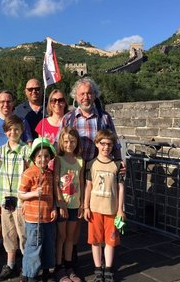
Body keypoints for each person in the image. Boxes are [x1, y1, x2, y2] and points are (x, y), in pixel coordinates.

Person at [60, 77, 123, 263]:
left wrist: (119, 164)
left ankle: (101, 256)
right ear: (76, 96)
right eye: (82, 94)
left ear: (95, 95)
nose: (86, 97)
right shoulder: (68, 117)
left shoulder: (104, 117)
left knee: (96, 214)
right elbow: (60, 145)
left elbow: (115, 143)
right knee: (75, 212)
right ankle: (72, 255)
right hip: (74, 171)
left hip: (98, 172)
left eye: (89, 93)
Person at [0, 114, 29, 282]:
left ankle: (27, 267)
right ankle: (10, 265)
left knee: (24, 233)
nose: (13, 132)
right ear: (5, 132)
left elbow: (29, 174)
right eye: (10, 129)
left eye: (17, 129)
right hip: (6, 199)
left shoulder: (26, 150)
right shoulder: (0, 151)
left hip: (21, 201)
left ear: (22, 131)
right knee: (8, 233)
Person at [83, 129, 125, 282]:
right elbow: (88, 186)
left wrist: (120, 209)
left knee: (110, 241)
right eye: (103, 144)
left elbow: (121, 188)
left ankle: (108, 268)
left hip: (111, 210)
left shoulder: (117, 165)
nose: (106, 147)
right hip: (95, 209)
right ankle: (97, 268)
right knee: (95, 240)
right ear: (96, 144)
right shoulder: (91, 164)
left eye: (109, 144)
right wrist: (85, 206)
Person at [18, 137, 57, 282]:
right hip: (33, 218)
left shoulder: (49, 173)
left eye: (46, 156)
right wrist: (34, 193)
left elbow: (52, 194)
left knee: (48, 245)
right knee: (33, 246)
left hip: (47, 216)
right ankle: (29, 273)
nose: (43, 159)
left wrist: (53, 208)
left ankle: (46, 270)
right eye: (39, 156)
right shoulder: (29, 172)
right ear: (34, 157)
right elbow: (20, 194)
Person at [54, 127, 84, 282]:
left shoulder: (80, 160)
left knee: (71, 237)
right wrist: (60, 204)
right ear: (61, 142)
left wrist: (82, 204)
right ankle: (59, 267)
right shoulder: (59, 159)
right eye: (66, 141)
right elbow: (56, 182)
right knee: (61, 236)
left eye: (72, 141)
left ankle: (69, 265)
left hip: (75, 204)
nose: (69, 144)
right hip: (63, 205)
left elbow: (82, 183)